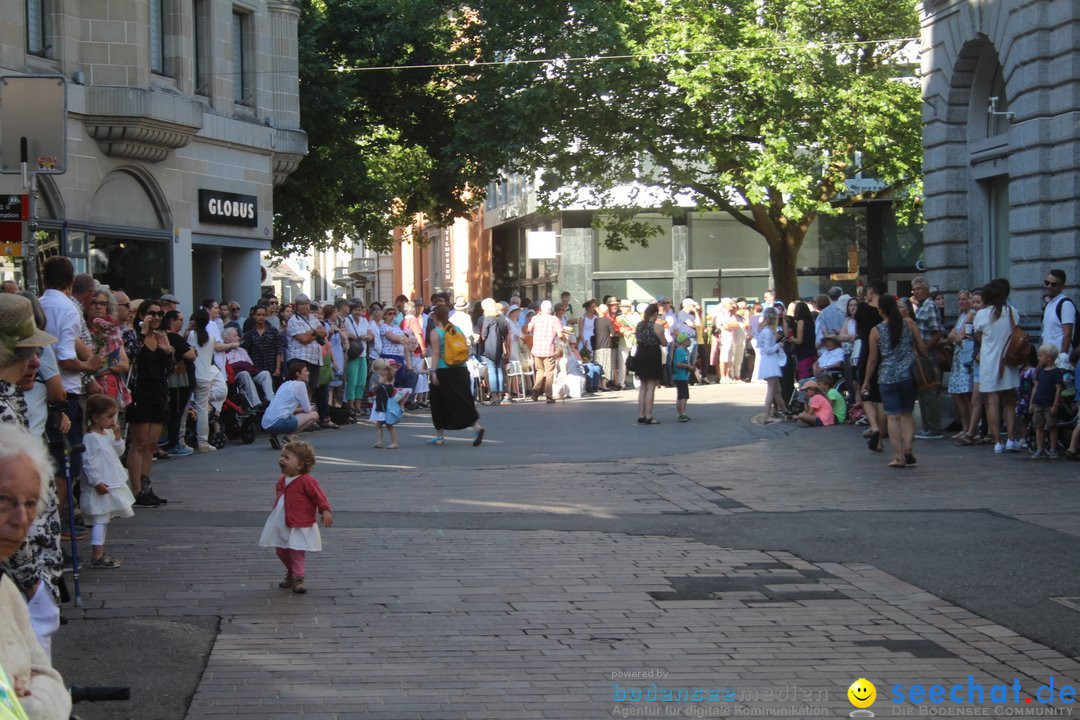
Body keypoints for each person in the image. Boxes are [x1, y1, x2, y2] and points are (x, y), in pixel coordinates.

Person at [0, 424, 71, 720]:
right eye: (4, 499)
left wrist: (30, 703)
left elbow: (50, 680)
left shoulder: (5, 589)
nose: (20, 518)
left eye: (31, 503)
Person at [258, 439, 332, 595]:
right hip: (282, 520)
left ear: (300, 464)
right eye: (281, 456)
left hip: (299, 522)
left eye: (287, 458)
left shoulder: (307, 481)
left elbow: (319, 497)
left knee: (297, 550)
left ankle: (299, 578)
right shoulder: (281, 480)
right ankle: (291, 571)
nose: (281, 460)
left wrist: (324, 510)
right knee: (281, 550)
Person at [864, 294, 927, 468]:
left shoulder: (876, 330)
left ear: (881, 310)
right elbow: (921, 347)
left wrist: (866, 381)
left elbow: (872, 359)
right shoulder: (908, 323)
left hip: (887, 377)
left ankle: (898, 456)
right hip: (909, 375)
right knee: (907, 413)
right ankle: (908, 448)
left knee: (893, 417)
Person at [80, 394, 136, 569]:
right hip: (101, 483)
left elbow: (118, 452)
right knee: (100, 518)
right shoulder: (90, 438)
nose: (113, 420)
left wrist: (118, 436)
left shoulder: (108, 434)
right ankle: (97, 554)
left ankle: (100, 552)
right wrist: (96, 481)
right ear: (95, 418)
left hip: (110, 480)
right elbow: (89, 461)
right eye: (109, 416)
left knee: (104, 519)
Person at [126, 300, 173, 506]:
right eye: (151, 313)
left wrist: (167, 352)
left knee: (151, 444)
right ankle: (135, 489)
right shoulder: (133, 336)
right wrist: (143, 334)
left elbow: (169, 367)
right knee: (139, 442)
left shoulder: (161, 337)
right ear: (141, 315)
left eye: (159, 314)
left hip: (158, 392)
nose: (155, 317)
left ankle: (146, 486)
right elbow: (129, 356)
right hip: (140, 392)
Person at [974, 278, 1023, 454]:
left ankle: (997, 441)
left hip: (989, 362)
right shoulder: (1012, 312)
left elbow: (978, 335)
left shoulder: (982, 315)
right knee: (1010, 402)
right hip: (1008, 362)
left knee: (992, 402)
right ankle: (1011, 438)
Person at [427, 304, 485, 446]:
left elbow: (435, 353)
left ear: (435, 316)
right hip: (460, 369)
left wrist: (433, 372)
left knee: (438, 402)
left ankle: (439, 436)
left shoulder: (436, 332)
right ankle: (476, 426)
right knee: (463, 399)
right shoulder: (455, 329)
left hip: (443, 370)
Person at [286, 295, 335, 429]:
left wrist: (312, 332)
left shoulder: (313, 318)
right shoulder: (293, 320)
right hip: (300, 357)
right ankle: (300, 418)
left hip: (315, 358)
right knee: (300, 389)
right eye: (302, 304)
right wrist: (315, 333)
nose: (305, 307)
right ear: (296, 306)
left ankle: (308, 418)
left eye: (307, 304)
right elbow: (303, 339)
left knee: (311, 388)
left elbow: (323, 332)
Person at [909, 276, 946, 439]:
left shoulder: (930, 306)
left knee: (928, 390)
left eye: (919, 289)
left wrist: (925, 348)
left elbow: (937, 332)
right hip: (920, 352)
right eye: (914, 289)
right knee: (923, 390)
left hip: (926, 353)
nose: (916, 292)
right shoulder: (922, 306)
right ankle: (927, 427)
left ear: (926, 289)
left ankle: (933, 427)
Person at [261, 361, 320, 449]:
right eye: (305, 371)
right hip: (278, 423)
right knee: (314, 415)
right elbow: (307, 409)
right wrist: (313, 407)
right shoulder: (300, 385)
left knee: (286, 414)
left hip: (265, 423)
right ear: (298, 374)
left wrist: (299, 409)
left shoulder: (284, 384)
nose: (308, 373)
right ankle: (289, 437)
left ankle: (274, 435)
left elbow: (285, 408)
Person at [162, 310, 195, 457]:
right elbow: (190, 354)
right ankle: (174, 443)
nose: (182, 322)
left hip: (182, 382)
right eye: (179, 319)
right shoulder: (173, 337)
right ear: (171, 321)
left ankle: (176, 442)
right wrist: (191, 350)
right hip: (179, 383)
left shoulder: (174, 337)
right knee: (177, 413)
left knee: (178, 414)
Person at [1028, 343, 1064, 460]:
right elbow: (1036, 387)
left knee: (1052, 426)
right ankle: (1040, 448)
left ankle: (1053, 449)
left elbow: (1058, 390)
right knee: (1039, 425)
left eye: (1041, 356)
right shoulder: (1041, 372)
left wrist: (1055, 405)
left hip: (1049, 403)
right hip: (1039, 402)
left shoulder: (1057, 372)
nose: (1039, 358)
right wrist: (1031, 402)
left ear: (1048, 357)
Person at [223, 327, 274, 408]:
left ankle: (271, 400)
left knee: (265, 373)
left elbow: (250, 365)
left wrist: (242, 365)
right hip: (237, 377)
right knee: (244, 373)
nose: (238, 338)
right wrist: (243, 365)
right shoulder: (224, 354)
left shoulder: (242, 351)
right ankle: (256, 404)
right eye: (235, 336)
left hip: (251, 373)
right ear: (226, 340)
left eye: (238, 336)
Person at [633, 303, 665, 424]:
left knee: (643, 386)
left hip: (640, 353)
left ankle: (641, 414)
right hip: (652, 354)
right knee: (651, 386)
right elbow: (664, 342)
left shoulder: (639, 325)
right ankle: (648, 415)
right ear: (655, 314)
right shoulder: (657, 327)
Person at [526, 300, 563, 404]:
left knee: (539, 371)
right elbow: (560, 335)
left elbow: (529, 329)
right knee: (549, 372)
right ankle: (549, 395)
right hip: (549, 349)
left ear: (541, 309)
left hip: (537, 349)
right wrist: (564, 338)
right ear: (550, 309)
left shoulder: (535, 318)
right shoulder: (554, 319)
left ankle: (535, 391)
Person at [755, 307, 787, 421]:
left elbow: (759, 345)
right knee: (772, 390)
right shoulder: (768, 331)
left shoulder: (763, 329)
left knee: (776, 389)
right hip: (770, 361)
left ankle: (784, 410)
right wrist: (779, 345)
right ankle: (767, 415)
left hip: (767, 360)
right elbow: (768, 349)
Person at [343, 299, 373, 419]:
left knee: (361, 382)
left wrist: (366, 337)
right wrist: (356, 336)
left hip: (363, 353)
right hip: (353, 354)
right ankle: (350, 406)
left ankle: (358, 406)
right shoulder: (347, 320)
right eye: (356, 309)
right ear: (351, 310)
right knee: (352, 382)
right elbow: (345, 333)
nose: (358, 312)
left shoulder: (364, 320)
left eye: (360, 310)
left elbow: (371, 335)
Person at [477, 298, 510, 405]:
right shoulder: (501, 318)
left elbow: (483, 334)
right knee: (499, 369)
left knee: (492, 370)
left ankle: (494, 395)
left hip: (489, 347)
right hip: (499, 346)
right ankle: (500, 395)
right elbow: (506, 332)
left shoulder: (487, 318)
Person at [370, 361, 405, 449]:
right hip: (382, 408)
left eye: (380, 377)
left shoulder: (382, 387)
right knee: (379, 425)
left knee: (388, 426)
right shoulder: (389, 386)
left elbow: (375, 390)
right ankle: (379, 441)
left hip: (384, 409)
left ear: (384, 378)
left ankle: (393, 442)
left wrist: (374, 387)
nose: (379, 379)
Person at [1042, 269, 1075, 355]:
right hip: (1047, 359)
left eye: (1053, 284)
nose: (1049, 286)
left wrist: (1062, 359)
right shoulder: (1049, 303)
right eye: (1047, 282)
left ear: (1062, 287)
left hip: (1058, 360)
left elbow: (1067, 334)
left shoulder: (1066, 304)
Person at [672, 332, 693, 422]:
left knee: (681, 396)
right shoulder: (680, 351)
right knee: (683, 396)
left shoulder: (683, 351)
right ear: (683, 342)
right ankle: (682, 413)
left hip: (682, 376)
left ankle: (681, 413)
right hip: (680, 377)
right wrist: (688, 366)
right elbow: (678, 364)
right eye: (688, 340)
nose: (690, 342)